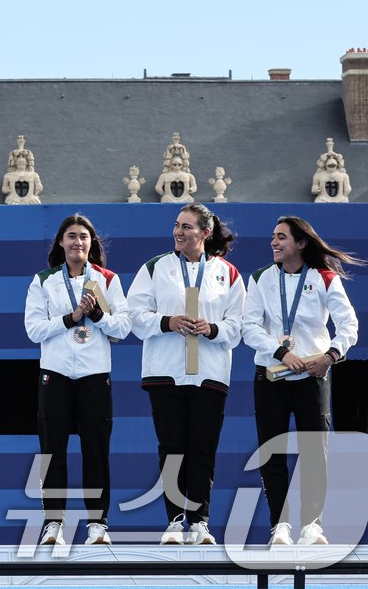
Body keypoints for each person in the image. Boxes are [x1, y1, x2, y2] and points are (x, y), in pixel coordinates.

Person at [127, 202, 244, 546]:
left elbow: (239, 326)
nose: (178, 232)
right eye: (177, 225)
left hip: (209, 372)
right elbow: (134, 315)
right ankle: (176, 520)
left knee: (204, 447)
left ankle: (201, 522)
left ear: (205, 233)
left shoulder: (227, 273)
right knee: (173, 446)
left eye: (187, 227)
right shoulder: (156, 267)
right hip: (166, 370)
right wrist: (168, 322)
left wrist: (212, 329)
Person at [243, 217, 361, 546]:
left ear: (301, 243)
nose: (274, 243)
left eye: (282, 237)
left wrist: (330, 356)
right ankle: (279, 526)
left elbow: (348, 323)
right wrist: (280, 352)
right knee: (273, 452)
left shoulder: (324, 278)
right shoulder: (260, 278)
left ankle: (312, 525)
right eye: (272, 237)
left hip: (312, 375)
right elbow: (249, 327)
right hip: (271, 376)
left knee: (314, 451)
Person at [23, 215, 129, 546]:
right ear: (60, 243)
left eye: (84, 237)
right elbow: (33, 329)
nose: (77, 242)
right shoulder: (44, 281)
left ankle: (98, 524)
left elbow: (123, 327)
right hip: (54, 374)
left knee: (95, 451)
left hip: (94, 375)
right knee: (52, 450)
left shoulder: (107, 280)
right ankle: (53, 522)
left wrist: (97, 316)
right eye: (71, 236)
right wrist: (70, 319)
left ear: (91, 244)